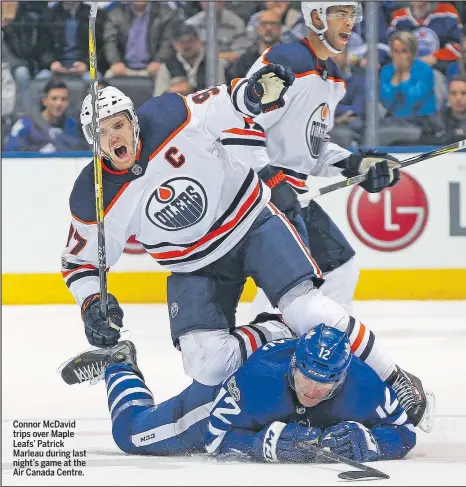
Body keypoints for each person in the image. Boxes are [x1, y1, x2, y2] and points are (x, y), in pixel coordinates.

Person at [61, 60, 432, 432]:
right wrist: (92, 304)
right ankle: (278, 330)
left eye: (119, 125)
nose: (114, 137)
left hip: (251, 225)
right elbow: (79, 263)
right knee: (208, 366)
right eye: (102, 131)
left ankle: (396, 376)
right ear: (92, 140)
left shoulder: (168, 114)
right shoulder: (92, 194)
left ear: (133, 121)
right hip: (194, 264)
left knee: (308, 308)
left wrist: (252, 93)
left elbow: (223, 104)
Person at [239, 2, 432, 430]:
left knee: (340, 268)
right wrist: (269, 179)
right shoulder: (288, 62)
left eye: (353, 13)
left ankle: (318, 362)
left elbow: (312, 149)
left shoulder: (328, 77)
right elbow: (239, 122)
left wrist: (358, 165)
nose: (351, 22)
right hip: (254, 197)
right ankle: (260, 371)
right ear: (316, 16)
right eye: (340, 12)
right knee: (294, 294)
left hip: (290, 195)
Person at [60, 320, 416, 463]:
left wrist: (371, 442)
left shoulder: (365, 385)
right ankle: (118, 363)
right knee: (130, 435)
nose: (312, 390)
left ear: (343, 378)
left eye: (326, 384)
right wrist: (260, 445)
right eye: (307, 378)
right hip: (226, 394)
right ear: (294, 365)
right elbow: (216, 437)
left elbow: (404, 433)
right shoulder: (259, 380)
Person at [5, 78, 87, 152]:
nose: (59, 103)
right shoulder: (26, 124)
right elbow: (11, 151)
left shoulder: (73, 125)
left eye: (63, 99)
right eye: (54, 99)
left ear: (68, 102)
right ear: (44, 101)